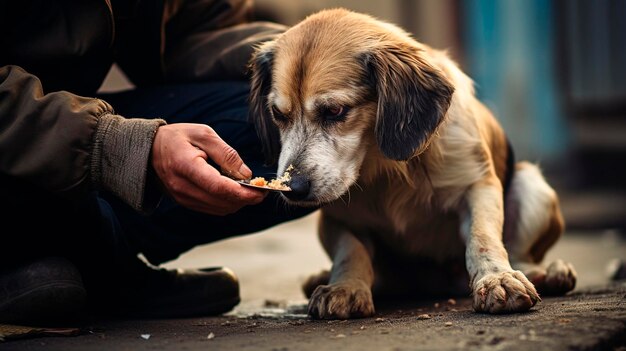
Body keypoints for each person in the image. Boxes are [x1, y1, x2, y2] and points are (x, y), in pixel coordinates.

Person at [0, 0, 315, 326]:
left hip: (72, 128)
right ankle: (78, 259)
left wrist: (306, 54)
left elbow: (201, 32)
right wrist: (119, 146)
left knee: (297, 120)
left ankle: (91, 247)